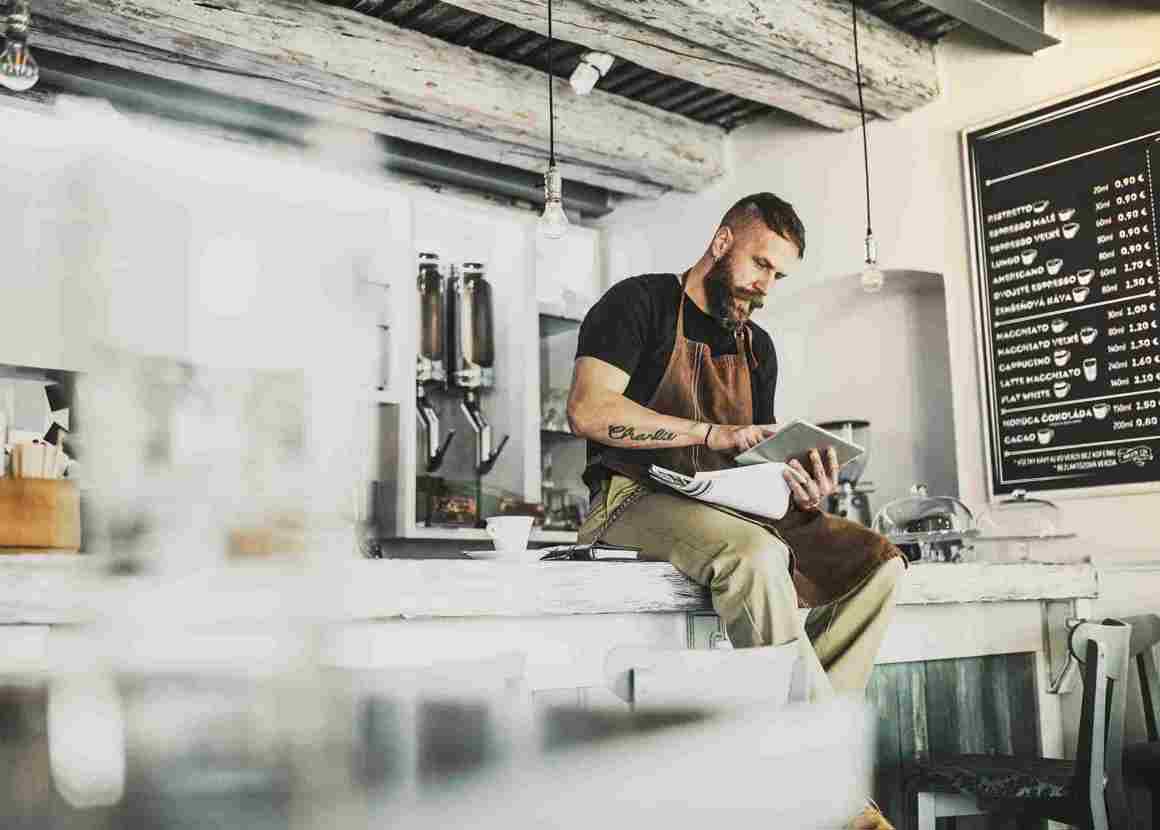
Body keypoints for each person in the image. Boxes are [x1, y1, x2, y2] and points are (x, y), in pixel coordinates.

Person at [567, 193, 905, 828]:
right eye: (760, 264)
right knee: (754, 553)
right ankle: (829, 792)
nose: (765, 284)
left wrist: (794, 483)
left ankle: (788, 757)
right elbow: (589, 412)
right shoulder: (636, 303)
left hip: (730, 502)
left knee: (878, 561)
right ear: (722, 242)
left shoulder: (759, 347)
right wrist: (711, 434)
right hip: (630, 496)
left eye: (778, 275)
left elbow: (753, 460)